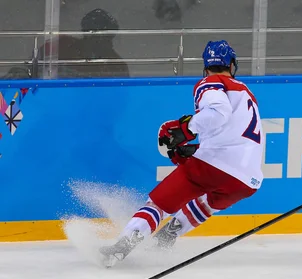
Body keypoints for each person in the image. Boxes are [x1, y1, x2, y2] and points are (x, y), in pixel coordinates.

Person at [100, 40, 264, 267]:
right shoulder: (246, 93)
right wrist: (196, 148)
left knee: (157, 204)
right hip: (248, 180)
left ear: (206, 66)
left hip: (216, 165)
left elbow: (218, 114)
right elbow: (235, 139)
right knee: (207, 203)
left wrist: (187, 129)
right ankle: (167, 236)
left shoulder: (211, 82)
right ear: (232, 64)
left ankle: (123, 245)